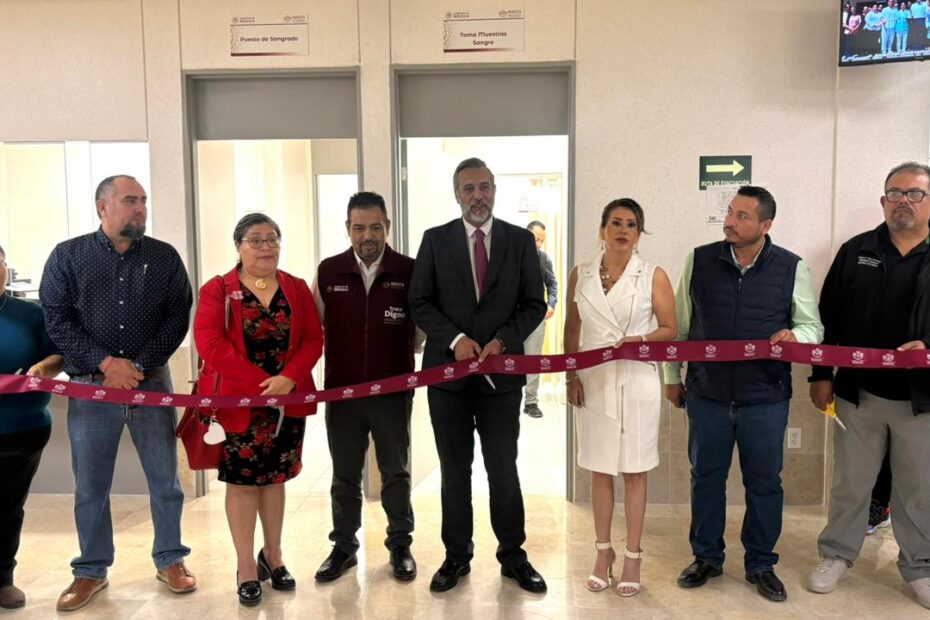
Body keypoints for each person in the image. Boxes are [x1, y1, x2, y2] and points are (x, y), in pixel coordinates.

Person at [40, 175, 196, 612]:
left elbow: (177, 317)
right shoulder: (68, 257)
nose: (140, 208)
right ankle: (90, 570)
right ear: (102, 207)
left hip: (151, 385)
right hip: (92, 387)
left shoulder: (164, 257)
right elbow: (57, 319)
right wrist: (107, 364)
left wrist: (138, 367)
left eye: (143, 200)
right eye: (130, 200)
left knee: (165, 480)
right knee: (91, 486)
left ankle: (171, 559)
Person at [664, 186, 823, 603]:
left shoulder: (791, 267)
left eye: (742, 216)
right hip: (707, 394)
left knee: (765, 484)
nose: (730, 222)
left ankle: (760, 564)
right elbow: (680, 326)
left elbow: (813, 326)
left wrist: (797, 336)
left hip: (766, 397)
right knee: (705, 479)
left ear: (765, 225)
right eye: (730, 213)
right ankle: (706, 558)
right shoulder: (698, 260)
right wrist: (672, 376)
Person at [409, 157, 548, 593]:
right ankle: (456, 556)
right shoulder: (435, 240)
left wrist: (503, 340)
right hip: (447, 381)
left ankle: (513, 556)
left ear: (494, 191)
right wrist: (455, 340)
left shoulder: (520, 241)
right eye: (468, 188)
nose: (477, 196)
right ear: (457, 194)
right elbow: (419, 301)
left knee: (503, 470)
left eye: (484, 187)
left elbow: (535, 303)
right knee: (455, 472)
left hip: (501, 381)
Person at [807, 161, 930, 609]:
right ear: (883, 201)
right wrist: (821, 375)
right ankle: (836, 554)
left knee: (919, 488)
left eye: (915, 194)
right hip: (858, 394)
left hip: (922, 400)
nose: (903, 201)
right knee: (851, 483)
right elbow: (827, 318)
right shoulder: (856, 251)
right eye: (895, 193)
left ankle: (920, 566)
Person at [193, 213, 323, 606]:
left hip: (285, 403)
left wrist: (289, 379)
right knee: (243, 483)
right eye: (255, 240)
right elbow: (210, 343)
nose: (265, 247)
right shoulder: (218, 290)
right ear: (238, 246)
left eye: (272, 239)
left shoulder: (296, 287)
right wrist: (261, 386)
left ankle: (274, 556)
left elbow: (313, 339)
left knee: (275, 480)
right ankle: (246, 565)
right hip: (240, 404)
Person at [564, 199, 676, 596]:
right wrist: (571, 375)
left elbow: (670, 328)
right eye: (615, 223)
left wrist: (639, 339)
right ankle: (602, 552)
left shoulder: (653, 275)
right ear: (602, 230)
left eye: (631, 224)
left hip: (636, 380)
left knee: (634, 470)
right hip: (593, 381)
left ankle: (632, 555)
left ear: (639, 234)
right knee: (599, 469)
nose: (623, 230)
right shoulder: (581, 274)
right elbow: (572, 328)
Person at [311, 191, 418, 583]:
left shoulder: (409, 270)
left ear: (387, 226)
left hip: (393, 395)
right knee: (344, 476)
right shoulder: (329, 271)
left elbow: (419, 333)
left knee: (396, 473)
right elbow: (314, 330)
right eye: (359, 228)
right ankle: (343, 547)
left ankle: (400, 545)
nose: (367, 235)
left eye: (375, 227)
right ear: (348, 228)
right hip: (343, 396)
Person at [0, 244, 63, 609]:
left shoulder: (30, 313)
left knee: (9, 507)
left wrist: (41, 369)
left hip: (22, 430)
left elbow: (57, 355)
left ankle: (3, 579)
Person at [522, 220, 559, 418]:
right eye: (536, 239)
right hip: (512, 319)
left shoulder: (544, 259)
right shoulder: (511, 256)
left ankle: (531, 402)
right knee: (508, 360)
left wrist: (551, 304)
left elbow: (552, 284)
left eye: (542, 240)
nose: (538, 244)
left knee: (533, 360)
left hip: (536, 319)